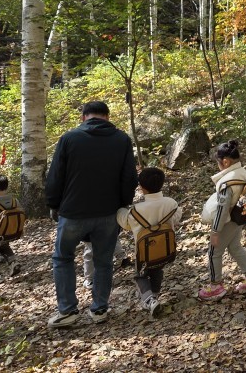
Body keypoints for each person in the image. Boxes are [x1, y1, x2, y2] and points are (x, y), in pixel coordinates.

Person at [45, 100, 137, 328]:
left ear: (83, 116)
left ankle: (67, 311)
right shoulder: (122, 139)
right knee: (103, 261)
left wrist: (53, 204)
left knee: (63, 258)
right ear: (107, 115)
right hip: (108, 212)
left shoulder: (69, 138)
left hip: (73, 211)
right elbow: (130, 178)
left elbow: (55, 175)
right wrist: (123, 204)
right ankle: (99, 309)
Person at [199, 140, 246, 301]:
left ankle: (215, 286)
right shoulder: (242, 172)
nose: (218, 166)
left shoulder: (227, 183)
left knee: (214, 252)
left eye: (218, 163)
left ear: (225, 161)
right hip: (238, 217)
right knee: (234, 246)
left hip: (227, 221)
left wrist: (215, 231)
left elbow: (222, 209)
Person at [115, 168, 181, 318]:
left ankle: (150, 300)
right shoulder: (171, 203)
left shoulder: (136, 210)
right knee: (157, 269)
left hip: (144, 253)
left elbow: (124, 223)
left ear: (141, 187)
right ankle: (155, 296)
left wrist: (119, 209)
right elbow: (177, 217)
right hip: (165, 250)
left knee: (140, 275)